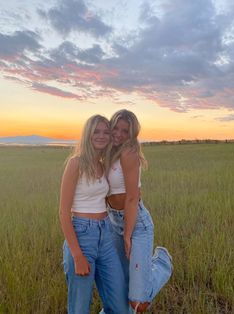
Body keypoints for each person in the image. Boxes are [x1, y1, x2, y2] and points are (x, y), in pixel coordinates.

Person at [59, 115, 129, 314]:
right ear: (87, 134)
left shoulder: (102, 164)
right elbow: (64, 212)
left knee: (119, 306)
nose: (101, 136)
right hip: (82, 235)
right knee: (80, 308)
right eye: (96, 131)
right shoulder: (76, 163)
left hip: (106, 234)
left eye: (106, 132)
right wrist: (77, 255)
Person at [106, 109, 173, 313]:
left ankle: (162, 263)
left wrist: (128, 234)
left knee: (139, 302)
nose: (118, 133)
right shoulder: (107, 151)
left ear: (132, 134)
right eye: (115, 128)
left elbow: (132, 197)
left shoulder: (129, 153)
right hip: (112, 221)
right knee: (122, 285)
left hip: (136, 225)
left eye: (125, 131)